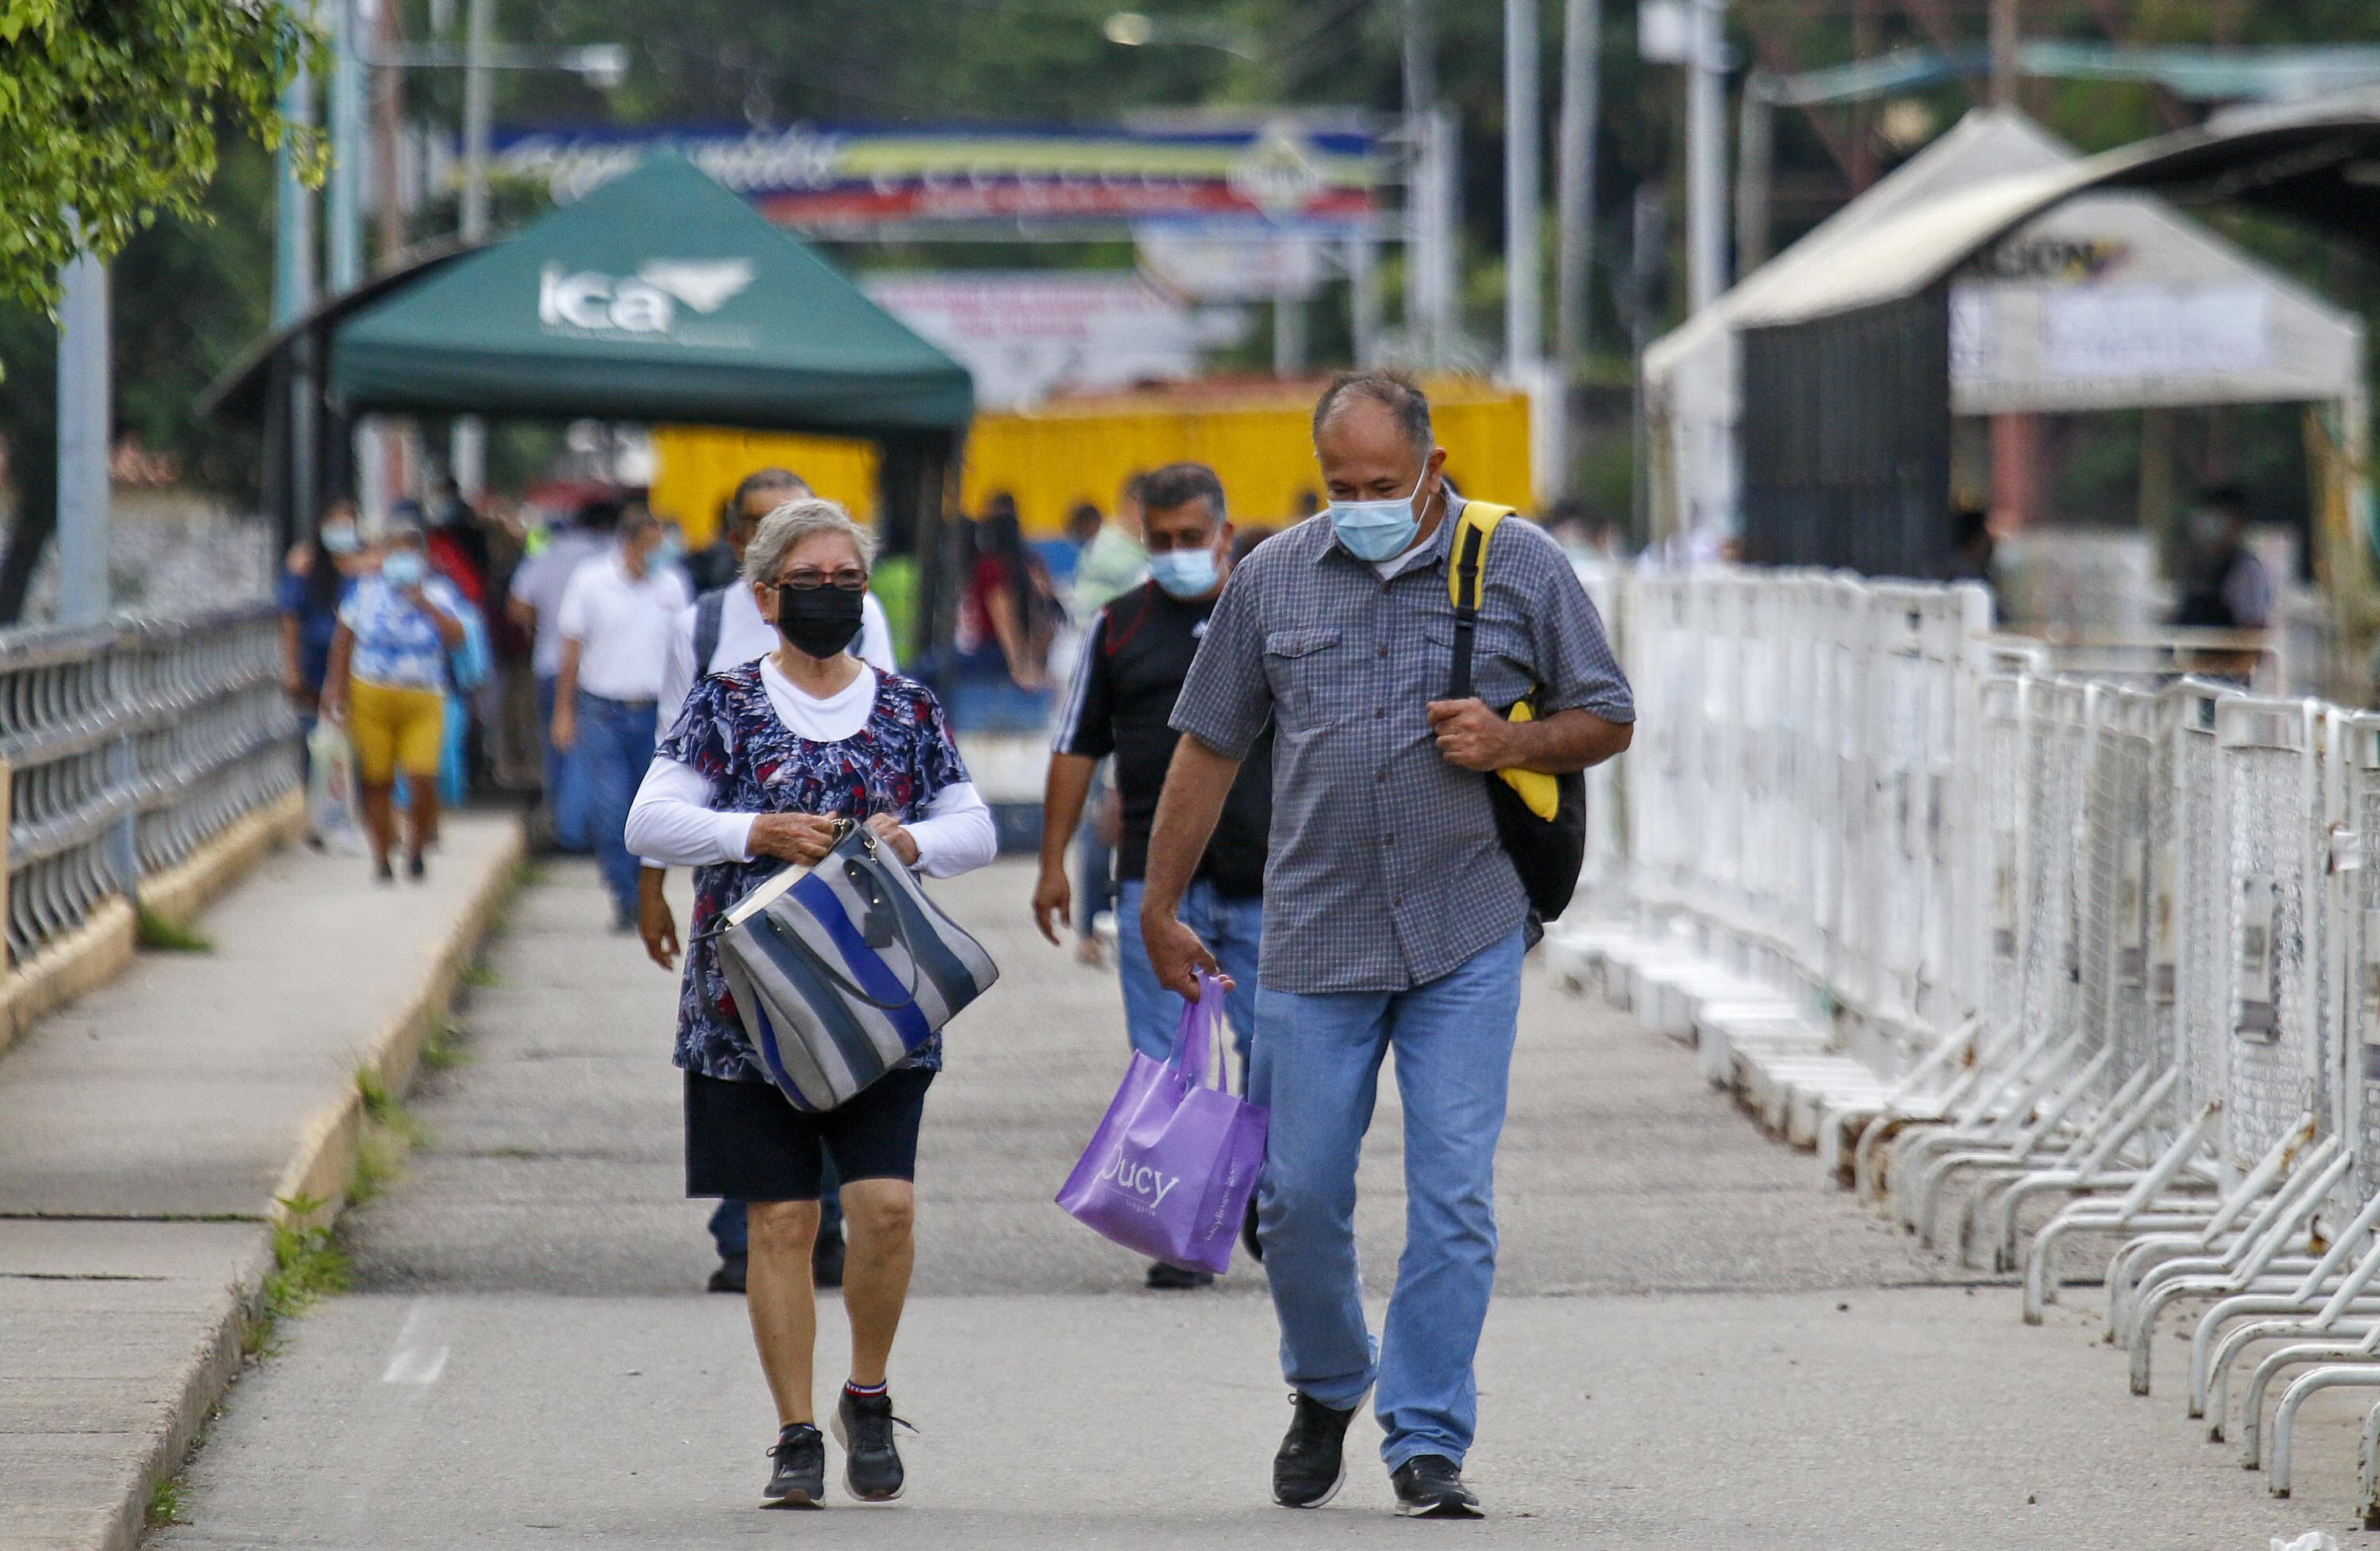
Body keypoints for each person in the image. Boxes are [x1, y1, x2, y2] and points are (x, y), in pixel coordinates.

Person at [1140, 371, 1634, 1519]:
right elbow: (1207, 748)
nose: (1362, 501)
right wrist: (1161, 905)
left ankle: (1425, 1437)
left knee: (1453, 1192)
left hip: (1464, 926)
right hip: (1313, 932)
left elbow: (1607, 713)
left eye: (1384, 482)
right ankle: (1326, 1384)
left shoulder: (1520, 566)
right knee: (1298, 1198)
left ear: (1435, 466)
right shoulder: (1270, 577)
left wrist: (1513, 736)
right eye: (1340, 484)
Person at [623, 498, 996, 1509]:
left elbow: (974, 825)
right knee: (781, 1220)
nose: (829, 594)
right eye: (808, 580)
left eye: (846, 579)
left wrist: (910, 842)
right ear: (764, 595)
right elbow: (648, 815)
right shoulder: (725, 703)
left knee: (884, 1207)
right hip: (745, 1005)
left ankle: (865, 1391)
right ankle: (795, 1434)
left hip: (877, 1000)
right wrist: (756, 832)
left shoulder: (908, 707)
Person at [639, 465, 898, 1296]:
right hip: (740, 898)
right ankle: (746, 1232)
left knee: (833, 1035)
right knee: (743, 1050)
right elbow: (667, 757)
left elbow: (889, 734)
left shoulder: (865, 614)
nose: (821, 584)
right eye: (764, 526)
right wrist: (657, 881)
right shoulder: (704, 625)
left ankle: (819, 1217)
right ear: (744, 553)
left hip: (837, 890)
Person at [1035, 461, 1271, 1292]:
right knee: (1169, 1061)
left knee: (1276, 1049)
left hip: (1265, 878)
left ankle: (1265, 1189)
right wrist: (1053, 860)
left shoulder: (1270, 616)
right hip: (1154, 885)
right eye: (1160, 539)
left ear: (1224, 535)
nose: (1176, 552)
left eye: (1191, 538)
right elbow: (1075, 745)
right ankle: (1180, 1232)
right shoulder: (1118, 627)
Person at [551, 507, 693, 932]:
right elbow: (571, 648)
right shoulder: (591, 581)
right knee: (611, 807)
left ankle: (647, 890)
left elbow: (684, 653)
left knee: (650, 808)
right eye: (651, 546)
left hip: (655, 711)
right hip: (602, 709)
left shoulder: (672, 584)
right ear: (630, 545)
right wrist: (564, 711)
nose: (658, 554)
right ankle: (624, 892)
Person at [321, 521, 472, 884]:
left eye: (410, 553)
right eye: (396, 553)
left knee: (422, 776)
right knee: (377, 779)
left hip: (423, 695)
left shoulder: (440, 593)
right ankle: (382, 854)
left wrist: (425, 604)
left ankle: (417, 846)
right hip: (371, 693)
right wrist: (335, 695)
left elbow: (457, 638)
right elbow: (344, 643)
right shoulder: (365, 592)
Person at [509, 498, 620, 851]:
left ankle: (564, 828)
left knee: (558, 746)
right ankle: (599, 831)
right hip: (599, 672)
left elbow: (518, 607)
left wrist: (542, 624)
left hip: (550, 664)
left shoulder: (547, 555)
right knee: (601, 754)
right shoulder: (614, 557)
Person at [955, 493, 1062, 689]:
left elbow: (1003, 619)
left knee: (925, 671)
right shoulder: (1031, 563)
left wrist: (1018, 667)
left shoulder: (991, 567)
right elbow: (1048, 621)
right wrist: (1035, 661)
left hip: (993, 653)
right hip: (1024, 653)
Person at [1073, 472, 1150, 616]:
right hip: (1101, 631)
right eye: (1148, 506)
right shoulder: (1105, 548)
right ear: (1130, 505)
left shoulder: (1143, 544)